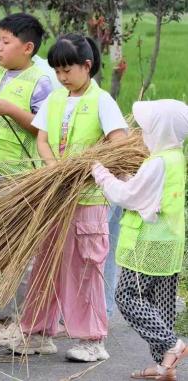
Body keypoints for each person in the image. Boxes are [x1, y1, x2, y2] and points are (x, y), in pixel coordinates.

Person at [9, 34, 128, 362]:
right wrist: (55, 168)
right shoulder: (56, 99)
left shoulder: (102, 101)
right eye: (57, 71)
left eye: (67, 70)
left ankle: (92, 340)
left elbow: (119, 144)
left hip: (89, 198)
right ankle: (38, 332)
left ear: (86, 66)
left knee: (85, 266)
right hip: (55, 196)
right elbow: (42, 140)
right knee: (45, 262)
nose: (62, 77)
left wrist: (87, 169)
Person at [0, 13, 53, 346]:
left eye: (5, 42)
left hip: (15, 179)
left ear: (27, 48)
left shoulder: (40, 82)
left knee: (18, 251)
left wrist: (12, 110)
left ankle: (23, 320)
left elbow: (43, 127)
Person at [92, 100, 188, 381]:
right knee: (161, 303)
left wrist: (101, 174)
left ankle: (172, 345)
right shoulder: (175, 157)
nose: (144, 134)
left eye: (148, 129)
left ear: (161, 130)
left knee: (127, 296)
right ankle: (164, 367)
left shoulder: (157, 162)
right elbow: (147, 190)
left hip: (147, 243)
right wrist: (127, 178)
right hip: (169, 241)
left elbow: (128, 196)